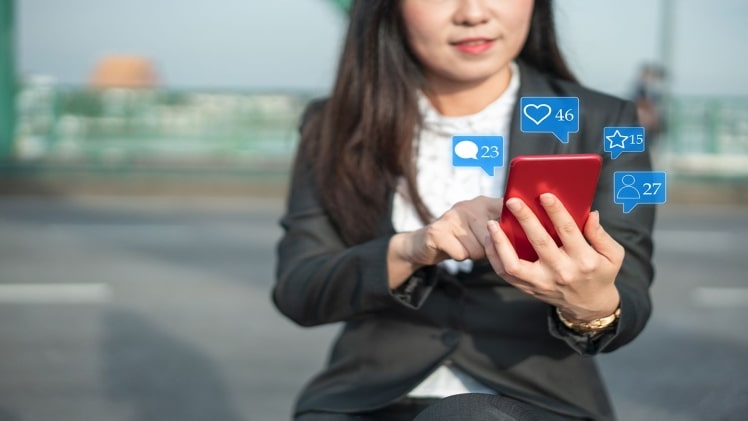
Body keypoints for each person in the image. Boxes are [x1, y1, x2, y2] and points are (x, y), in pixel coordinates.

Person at [273, 1, 655, 420]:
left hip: (537, 399)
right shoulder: (332, 123)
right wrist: (410, 249)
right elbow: (299, 291)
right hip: (364, 397)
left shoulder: (609, 120)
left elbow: (631, 295)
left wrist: (592, 306)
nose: (473, 13)